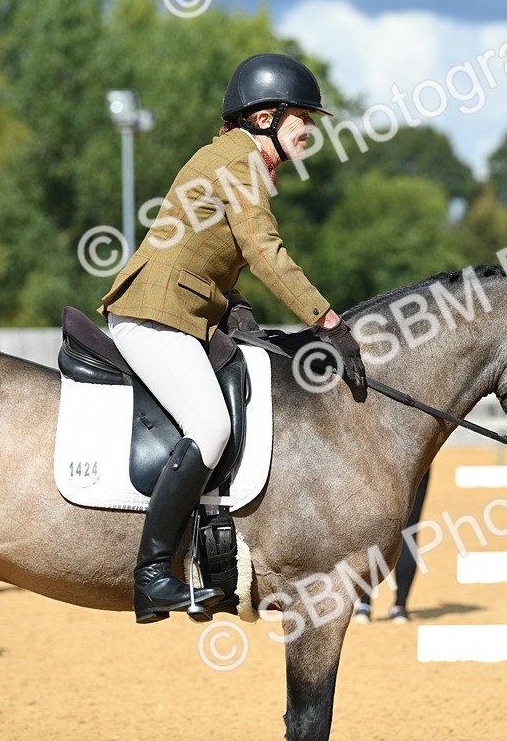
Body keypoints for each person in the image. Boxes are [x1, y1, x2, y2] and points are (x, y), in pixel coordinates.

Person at [99, 53, 367, 624]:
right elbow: (263, 252)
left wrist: (234, 305)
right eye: (303, 117)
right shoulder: (240, 161)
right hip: (157, 314)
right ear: (266, 115)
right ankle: (150, 575)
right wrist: (327, 321)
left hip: (184, 311)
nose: (311, 130)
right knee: (210, 425)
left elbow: (212, 250)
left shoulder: (234, 159)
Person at [354, 470, 430, 624]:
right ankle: (400, 607)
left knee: (371, 533)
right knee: (409, 532)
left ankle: (364, 605)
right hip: (417, 460)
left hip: (377, 462)